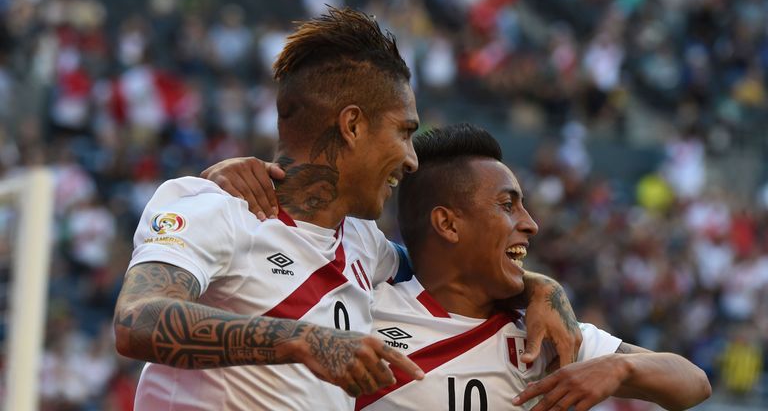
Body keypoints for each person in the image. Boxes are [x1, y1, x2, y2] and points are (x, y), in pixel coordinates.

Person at [114, 7, 579, 410]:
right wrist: (303, 339)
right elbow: (138, 319)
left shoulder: (365, 247)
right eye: (403, 132)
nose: (412, 159)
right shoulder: (217, 208)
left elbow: (460, 264)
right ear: (353, 125)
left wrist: (541, 289)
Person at [210, 124, 712, 410]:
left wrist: (618, 367)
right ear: (448, 224)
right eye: (508, 205)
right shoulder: (362, 312)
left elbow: (692, 384)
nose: (531, 224)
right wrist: (229, 183)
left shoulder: (544, 334)